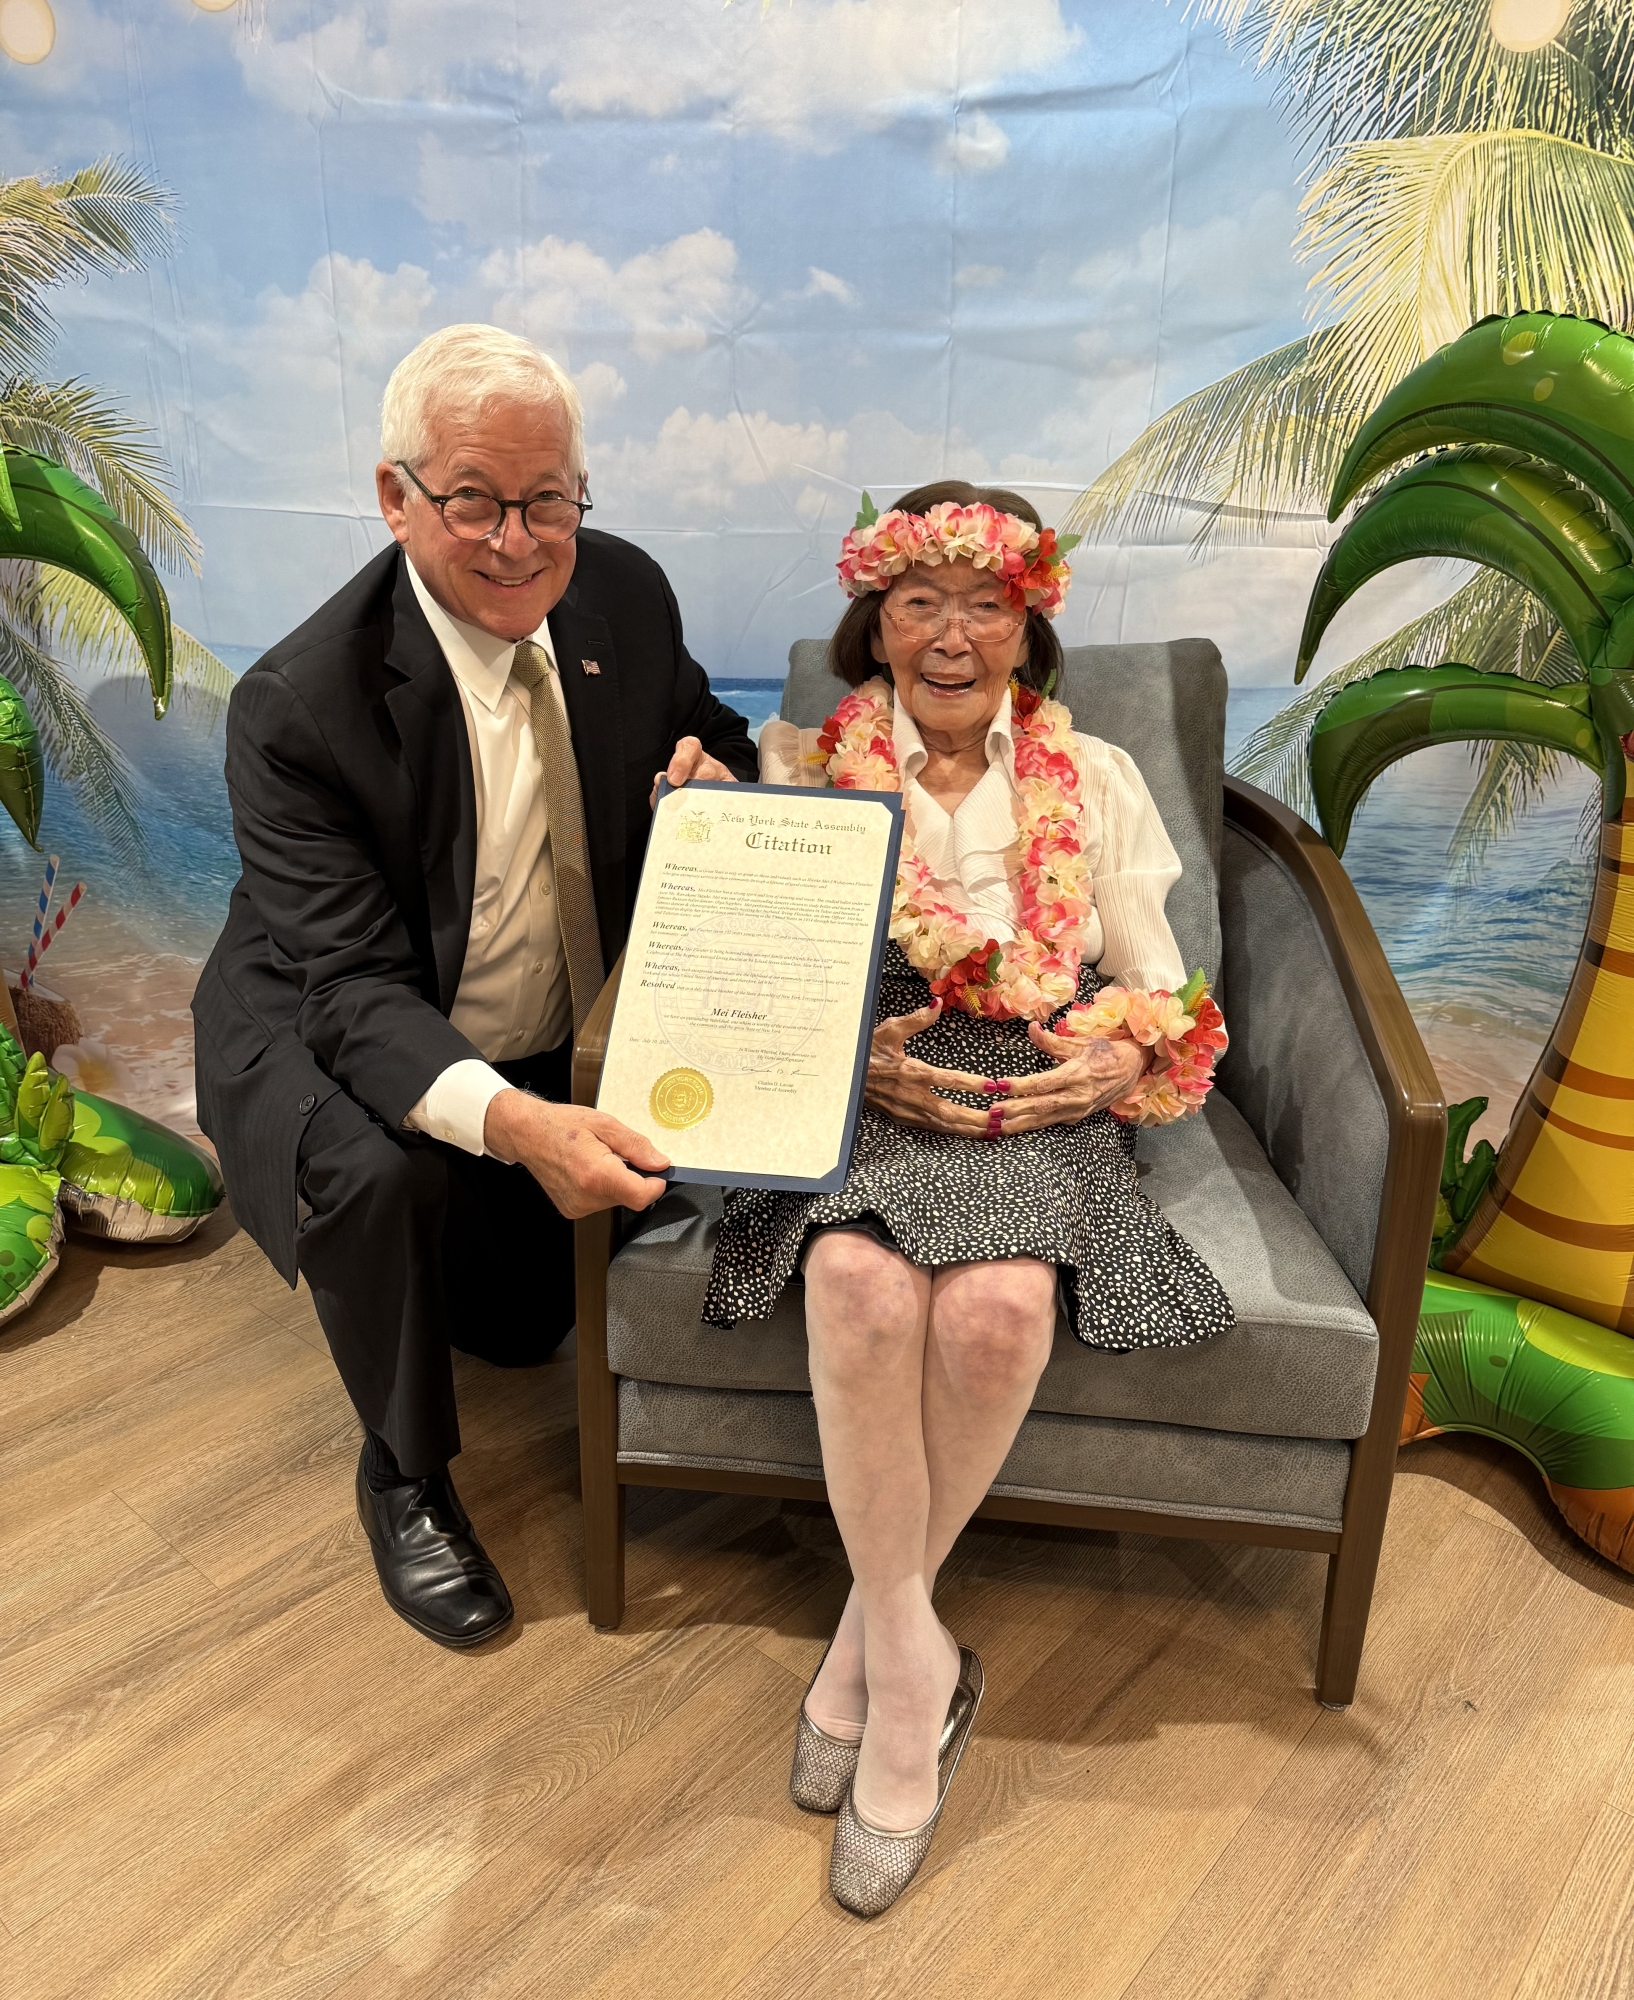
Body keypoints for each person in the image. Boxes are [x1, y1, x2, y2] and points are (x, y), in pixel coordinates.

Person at [702, 482, 1233, 1916]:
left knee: (997, 1313)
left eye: (985, 603)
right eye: (918, 601)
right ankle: (916, 1672)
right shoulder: (800, 764)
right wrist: (840, 1053)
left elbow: (1159, 983)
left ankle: (868, 1653)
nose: (951, 635)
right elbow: (757, 979)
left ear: (1028, 620)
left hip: (1035, 1086)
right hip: (868, 1075)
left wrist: (1119, 1058)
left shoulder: (1093, 776)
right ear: (872, 619)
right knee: (855, 1281)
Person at [193, 325, 756, 1649]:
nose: (517, 541)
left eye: (547, 500)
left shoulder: (626, 593)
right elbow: (350, 991)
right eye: (472, 502)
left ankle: (470, 1244)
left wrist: (721, 774)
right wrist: (517, 1127)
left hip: (536, 1014)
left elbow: (711, 727)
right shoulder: (299, 703)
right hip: (324, 1006)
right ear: (396, 500)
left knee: (517, 1330)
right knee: (384, 1181)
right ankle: (403, 1474)